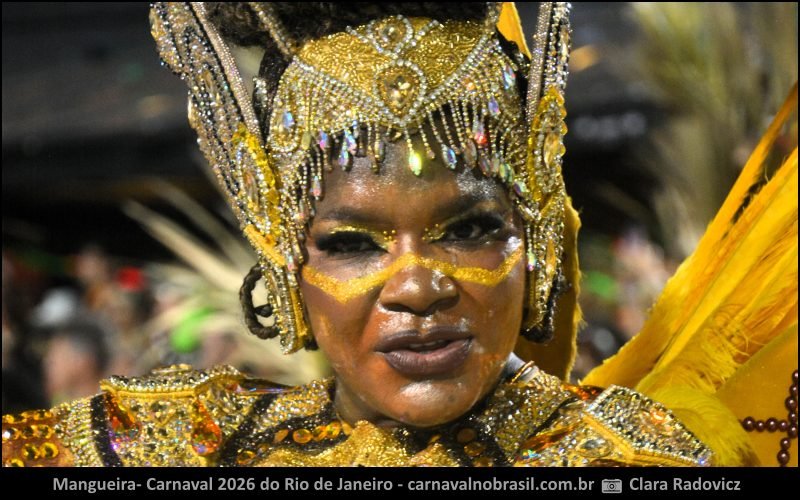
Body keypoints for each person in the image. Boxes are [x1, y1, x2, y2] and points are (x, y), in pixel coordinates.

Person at [2, 2, 795, 467]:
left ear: (541, 243)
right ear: (287, 263)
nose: (417, 287)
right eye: (353, 243)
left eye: (472, 230)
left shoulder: (638, 458)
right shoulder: (171, 446)